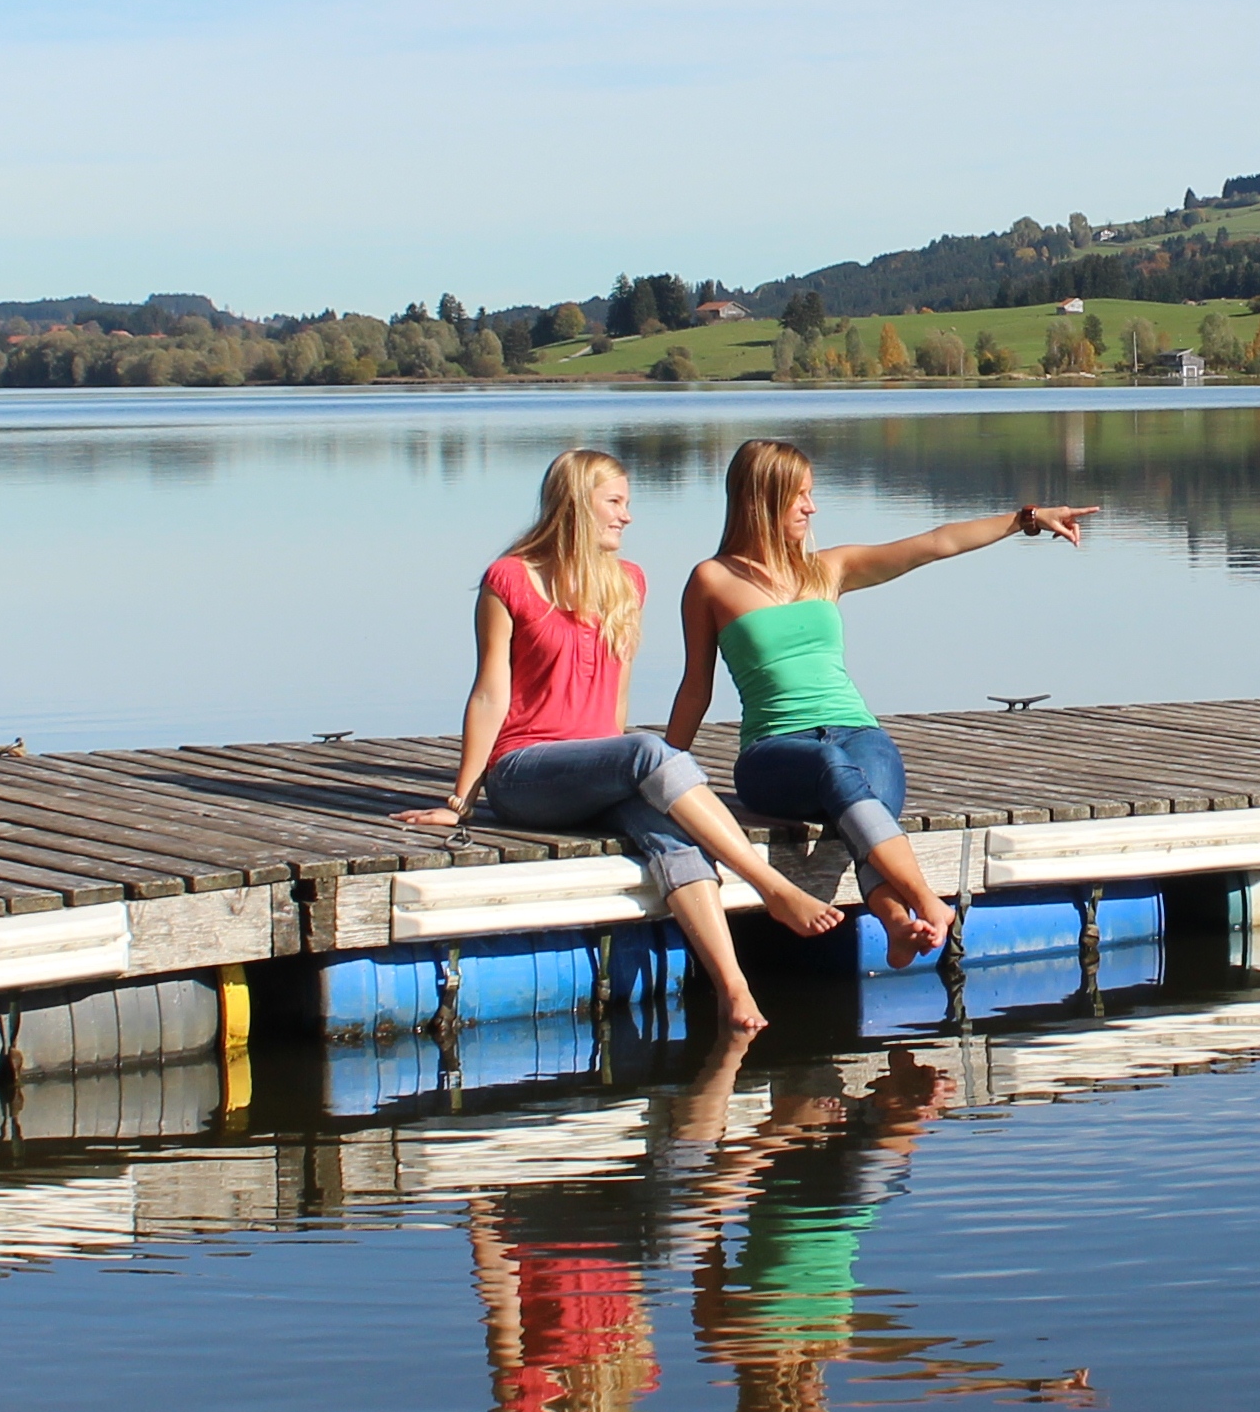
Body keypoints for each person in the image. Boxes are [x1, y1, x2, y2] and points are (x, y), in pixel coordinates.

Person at [401, 446, 843, 1035]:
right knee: (649, 749)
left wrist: (634, 779)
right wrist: (461, 802)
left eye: (627, 504)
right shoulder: (510, 577)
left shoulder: (628, 582)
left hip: (601, 771)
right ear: (579, 504)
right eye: (615, 502)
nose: (627, 516)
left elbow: (616, 703)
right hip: (525, 772)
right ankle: (773, 888)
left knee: (675, 839)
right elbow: (489, 695)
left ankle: (734, 995)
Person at [663, 437, 1100, 966]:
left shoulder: (828, 569)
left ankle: (896, 923)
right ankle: (924, 899)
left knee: (857, 786)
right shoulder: (712, 580)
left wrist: (1027, 518)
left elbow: (936, 543)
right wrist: (668, 776)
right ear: (761, 499)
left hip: (858, 733)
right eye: (798, 495)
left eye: (811, 494)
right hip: (774, 752)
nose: (811, 506)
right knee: (833, 767)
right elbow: (695, 687)